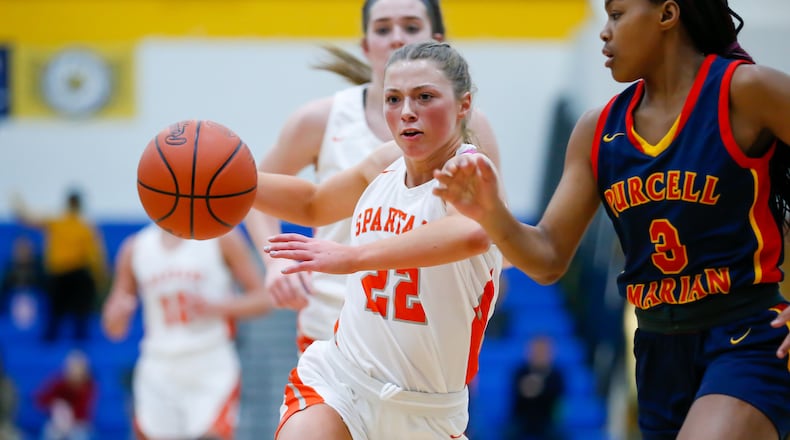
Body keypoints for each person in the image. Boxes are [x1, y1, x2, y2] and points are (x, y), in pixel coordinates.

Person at [433, 1, 790, 439]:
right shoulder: (597, 129)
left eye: (617, 15)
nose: (604, 32)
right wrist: (489, 212)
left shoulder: (745, 90)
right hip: (657, 348)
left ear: (667, 14)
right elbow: (547, 258)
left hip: (746, 336)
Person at [251, 41, 503, 439]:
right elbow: (314, 203)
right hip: (340, 379)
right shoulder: (385, 161)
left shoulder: (471, 169)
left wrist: (354, 257)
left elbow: (471, 232)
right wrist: (235, 182)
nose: (406, 111)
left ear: (463, 105)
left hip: (426, 411)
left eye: (424, 97)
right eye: (393, 98)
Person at [244, 0, 501, 355]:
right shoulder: (327, 122)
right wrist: (274, 262)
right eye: (382, 29)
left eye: (410, 27)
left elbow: (486, 234)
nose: (396, 39)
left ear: (437, 42)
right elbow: (294, 200)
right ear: (365, 45)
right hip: (331, 326)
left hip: (422, 339)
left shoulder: (470, 133)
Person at [101, 224, 270, 440]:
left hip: (210, 360)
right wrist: (115, 315)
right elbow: (114, 330)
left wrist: (214, 307)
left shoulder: (223, 238)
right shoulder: (135, 248)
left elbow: (264, 299)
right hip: (158, 365)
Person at [12, 189, 107, 342]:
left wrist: (99, 277)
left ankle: (78, 341)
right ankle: (53, 341)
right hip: (60, 276)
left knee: (78, 314)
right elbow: (29, 218)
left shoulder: (83, 226)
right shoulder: (63, 223)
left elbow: (95, 256)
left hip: (75, 275)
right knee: (56, 314)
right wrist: (18, 206)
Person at [507, 335, 565, 440]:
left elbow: (558, 395)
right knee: (508, 433)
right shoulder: (520, 371)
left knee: (560, 434)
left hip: (548, 421)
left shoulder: (557, 375)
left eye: (543, 351)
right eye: (537, 351)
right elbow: (518, 390)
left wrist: (538, 387)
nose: (540, 354)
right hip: (522, 419)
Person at [35, 350, 96, 440]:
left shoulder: (89, 386)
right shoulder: (60, 382)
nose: (74, 370)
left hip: (79, 425)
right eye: (72, 366)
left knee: (79, 435)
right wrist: (56, 404)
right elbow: (39, 398)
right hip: (58, 424)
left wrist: (66, 413)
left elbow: (82, 412)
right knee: (50, 432)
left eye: (78, 367)